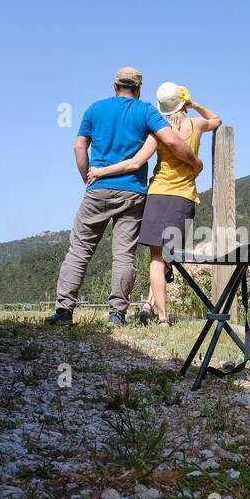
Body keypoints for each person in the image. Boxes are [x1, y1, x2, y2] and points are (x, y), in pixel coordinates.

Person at [46, 67, 203, 326]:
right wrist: (195, 162)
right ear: (139, 89)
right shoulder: (146, 112)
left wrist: (87, 176)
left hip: (97, 190)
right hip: (133, 193)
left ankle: (64, 311)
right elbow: (174, 143)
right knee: (123, 255)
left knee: (80, 250)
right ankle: (116, 314)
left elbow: (79, 145)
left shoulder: (94, 109)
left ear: (114, 86)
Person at [86, 82, 221, 325]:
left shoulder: (157, 132)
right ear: (184, 103)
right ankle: (151, 304)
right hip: (183, 197)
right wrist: (196, 105)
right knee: (169, 257)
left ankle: (160, 316)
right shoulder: (197, 124)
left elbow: (134, 163)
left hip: (157, 196)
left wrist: (101, 171)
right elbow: (216, 120)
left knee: (156, 260)